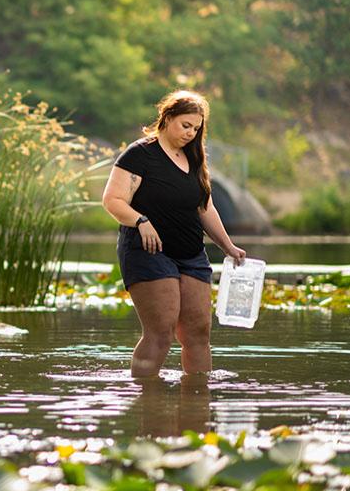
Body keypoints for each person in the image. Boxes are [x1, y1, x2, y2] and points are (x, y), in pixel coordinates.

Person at [101, 90, 245, 378]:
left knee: (198, 333)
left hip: (192, 255)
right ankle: (146, 401)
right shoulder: (140, 154)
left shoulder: (194, 158)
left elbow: (205, 208)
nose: (191, 133)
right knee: (161, 331)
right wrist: (141, 220)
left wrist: (228, 245)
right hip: (148, 253)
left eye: (196, 128)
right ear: (167, 118)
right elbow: (112, 200)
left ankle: (196, 404)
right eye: (185, 125)